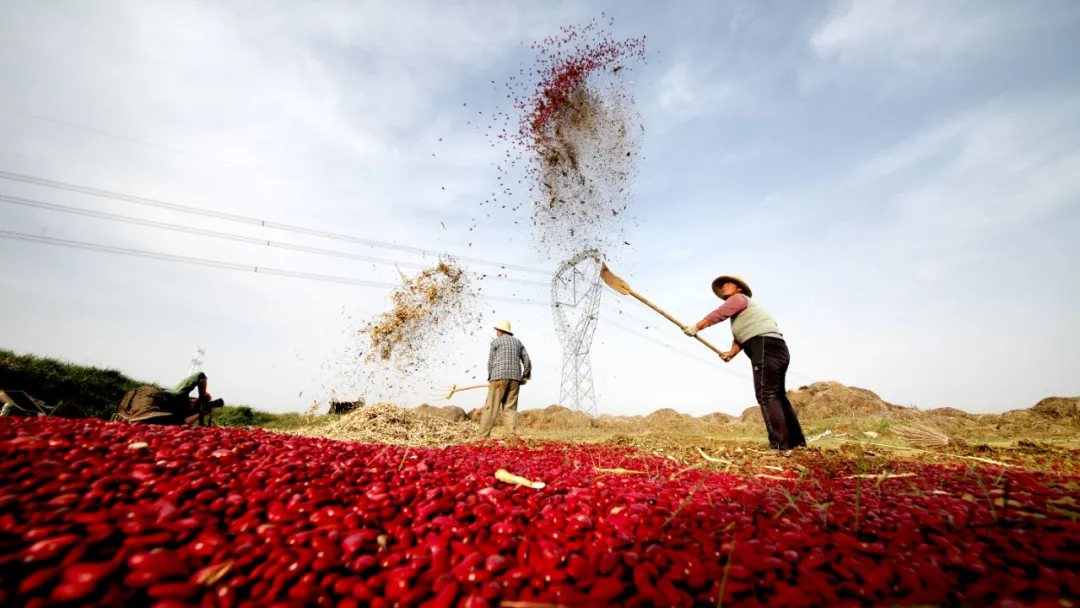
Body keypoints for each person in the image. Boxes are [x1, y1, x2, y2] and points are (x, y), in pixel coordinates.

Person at [683, 275, 806, 451]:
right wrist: (731, 353)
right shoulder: (745, 313)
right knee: (777, 395)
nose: (724, 287)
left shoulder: (738, 299)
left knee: (767, 395)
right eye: (722, 285)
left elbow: (719, 314)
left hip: (764, 345)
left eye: (728, 284)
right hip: (775, 347)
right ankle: (796, 442)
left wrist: (697, 327)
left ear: (739, 288)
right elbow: (741, 336)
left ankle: (780, 445)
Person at [477, 320, 532, 439]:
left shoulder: (495, 342)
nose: (496, 332)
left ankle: (482, 437)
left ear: (501, 331)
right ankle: (511, 436)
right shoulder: (518, 342)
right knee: (510, 408)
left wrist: (490, 377)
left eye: (497, 330)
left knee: (491, 407)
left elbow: (490, 362)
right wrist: (524, 376)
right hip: (515, 379)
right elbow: (527, 360)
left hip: (498, 378)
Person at [117, 371, 223, 425]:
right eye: (197, 405)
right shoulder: (179, 394)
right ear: (193, 399)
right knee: (145, 416)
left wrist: (200, 414)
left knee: (153, 422)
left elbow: (182, 423)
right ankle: (130, 418)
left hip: (131, 405)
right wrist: (203, 394)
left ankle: (125, 417)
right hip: (147, 396)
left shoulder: (175, 415)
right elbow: (200, 375)